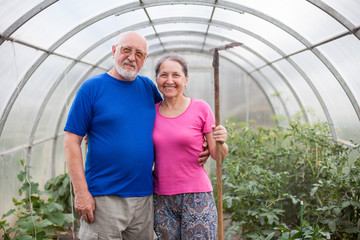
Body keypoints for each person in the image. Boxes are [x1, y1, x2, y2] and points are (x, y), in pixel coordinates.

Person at [63, 31, 209, 239]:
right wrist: (81, 192)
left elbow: (171, 117)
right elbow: (71, 141)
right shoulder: (92, 89)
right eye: (126, 50)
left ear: (145, 59)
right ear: (114, 51)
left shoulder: (147, 87)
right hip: (104, 197)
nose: (132, 57)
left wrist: (204, 140)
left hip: (144, 198)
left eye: (139, 53)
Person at [152, 53, 229, 239]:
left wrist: (221, 140)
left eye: (176, 75)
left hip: (196, 196)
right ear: (157, 79)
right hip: (161, 198)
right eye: (164, 75)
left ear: (186, 80)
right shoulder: (150, 112)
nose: (169, 80)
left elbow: (217, 156)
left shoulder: (200, 108)